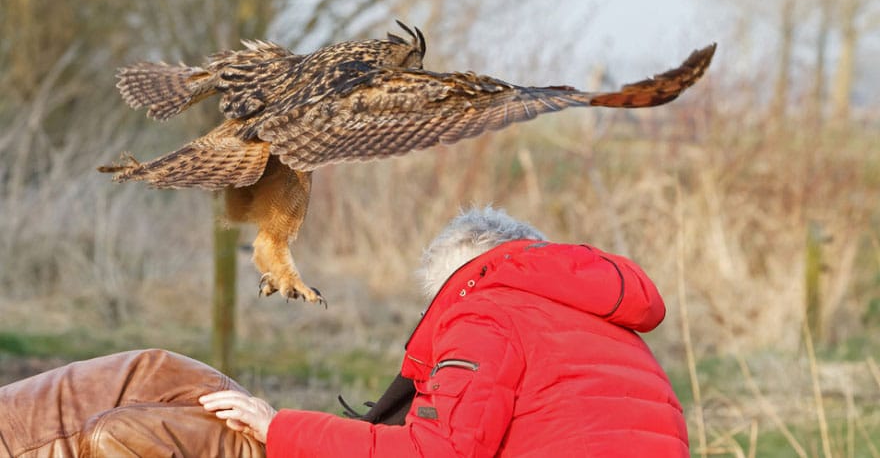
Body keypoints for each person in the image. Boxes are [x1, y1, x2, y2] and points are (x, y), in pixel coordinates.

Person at [0, 207, 688, 457]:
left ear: (462, 271)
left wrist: (281, 426)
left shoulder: (488, 306)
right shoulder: (608, 328)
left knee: (180, 410)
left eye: (435, 301)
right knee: (160, 377)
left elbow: (440, 453)